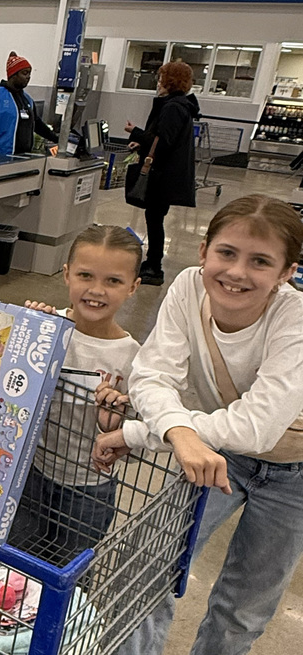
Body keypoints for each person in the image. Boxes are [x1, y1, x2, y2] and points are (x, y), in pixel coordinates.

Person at [94, 195, 303, 655]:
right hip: (212, 455)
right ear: (204, 249)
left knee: (242, 608)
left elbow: (257, 428)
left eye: (261, 261)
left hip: (294, 475)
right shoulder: (189, 287)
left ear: (287, 272)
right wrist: (182, 434)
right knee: (145, 573)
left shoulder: (295, 319)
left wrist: (146, 432)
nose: (237, 272)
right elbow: (152, 375)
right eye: (227, 253)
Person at [5, 225, 143, 566]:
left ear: (133, 288)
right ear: (66, 275)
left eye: (113, 281)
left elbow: (137, 440)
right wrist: (29, 330)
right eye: (85, 275)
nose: (96, 290)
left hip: (89, 490)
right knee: (13, 565)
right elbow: (7, 388)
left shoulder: (134, 357)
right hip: (29, 474)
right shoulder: (46, 328)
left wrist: (114, 424)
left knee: (67, 574)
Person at [124, 60, 198, 287]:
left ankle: (154, 266)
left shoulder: (173, 107)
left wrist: (135, 132)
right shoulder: (180, 105)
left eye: (161, 78)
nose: (158, 82)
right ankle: (153, 262)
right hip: (167, 174)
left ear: (170, 81)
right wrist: (141, 143)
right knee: (154, 218)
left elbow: (163, 142)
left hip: (162, 176)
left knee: (155, 220)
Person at [0, 51, 58, 156]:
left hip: (22, 158)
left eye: (29, 73)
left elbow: (37, 124)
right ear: (13, 75)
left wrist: (57, 139)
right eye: (24, 73)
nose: (28, 77)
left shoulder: (27, 100)